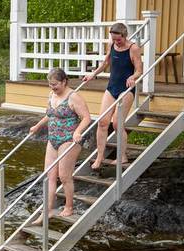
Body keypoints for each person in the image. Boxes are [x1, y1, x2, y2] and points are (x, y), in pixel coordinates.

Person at [29, 68, 91, 223]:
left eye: (55, 84)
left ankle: (69, 206)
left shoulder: (73, 97)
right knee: (49, 176)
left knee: (64, 176)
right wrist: (37, 126)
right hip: (53, 139)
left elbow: (86, 118)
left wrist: (78, 132)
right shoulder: (51, 95)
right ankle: (47, 211)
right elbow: (50, 115)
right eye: (50, 85)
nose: (52, 88)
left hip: (69, 140)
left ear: (64, 82)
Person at [82, 22, 143, 169]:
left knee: (116, 123)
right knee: (102, 122)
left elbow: (139, 70)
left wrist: (133, 77)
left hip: (126, 89)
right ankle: (99, 156)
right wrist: (92, 75)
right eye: (114, 39)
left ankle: (122, 156)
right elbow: (105, 64)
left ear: (124, 35)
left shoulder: (133, 48)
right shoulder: (112, 45)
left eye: (119, 40)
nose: (116, 42)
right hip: (112, 88)